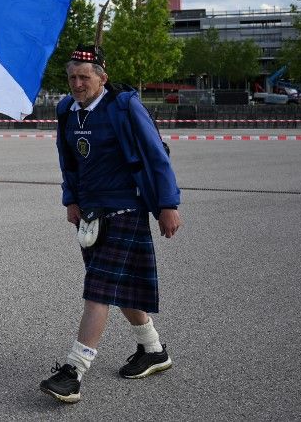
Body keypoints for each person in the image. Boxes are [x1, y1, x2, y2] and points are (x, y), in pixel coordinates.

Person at [40, 44, 182, 403]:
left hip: (124, 210)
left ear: (102, 78)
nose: (77, 84)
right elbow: (69, 162)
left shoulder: (124, 106)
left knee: (99, 290)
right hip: (90, 214)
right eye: (72, 77)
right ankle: (153, 349)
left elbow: (156, 155)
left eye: (84, 77)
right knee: (118, 286)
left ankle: (73, 372)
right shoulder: (66, 110)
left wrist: (168, 204)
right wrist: (71, 199)